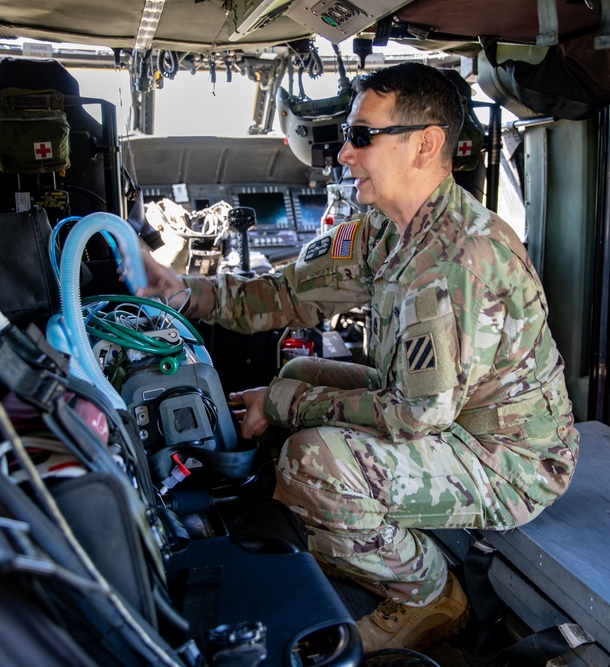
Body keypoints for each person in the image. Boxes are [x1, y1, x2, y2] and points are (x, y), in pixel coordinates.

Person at [140, 62, 580, 653]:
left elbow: (415, 417)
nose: (344, 154)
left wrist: (283, 404)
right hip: (446, 414)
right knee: (299, 371)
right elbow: (291, 292)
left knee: (311, 459)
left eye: (362, 136)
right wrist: (184, 292)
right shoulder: (388, 231)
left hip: (511, 460)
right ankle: (335, 534)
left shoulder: (458, 261)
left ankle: (428, 594)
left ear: (425, 145)